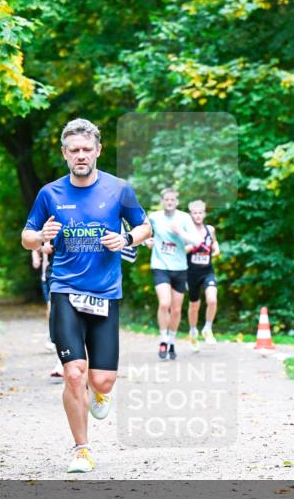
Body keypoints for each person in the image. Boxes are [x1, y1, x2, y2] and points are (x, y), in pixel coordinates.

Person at [21, 118, 151, 473]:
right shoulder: (50, 194)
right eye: (74, 150)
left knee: (101, 379)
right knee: (74, 373)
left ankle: (103, 391)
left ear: (98, 151)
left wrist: (126, 239)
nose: (81, 155)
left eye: (86, 149)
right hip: (65, 290)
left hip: (106, 294)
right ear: (65, 154)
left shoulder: (119, 189)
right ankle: (81, 449)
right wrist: (41, 236)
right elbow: (27, 237)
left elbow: (145, 226)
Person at [145, 188, 202, 360]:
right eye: (166, 199)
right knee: (164, 303)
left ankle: (171, 341)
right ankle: (163, 339)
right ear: (162, 201)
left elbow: (197, 241)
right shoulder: (154, 217)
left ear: (177, 202)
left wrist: (180, 232)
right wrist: (147, 242)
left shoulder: (184, 218)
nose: (169, 202)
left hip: (179, 268)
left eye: (172, 200)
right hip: (160, 265)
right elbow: (143, 234)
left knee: (176, 310)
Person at [184, 200, 221, 352]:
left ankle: (207, 328)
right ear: (190, 214)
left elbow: (215, 243)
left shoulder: (210, 229)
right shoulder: (186, 231)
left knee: (212, 299)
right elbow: (182, 250)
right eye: (195, 213)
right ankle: (193, 331)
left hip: (207, 270)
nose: (198, 216)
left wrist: (216, 250)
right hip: (191, 273)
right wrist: (191, 247)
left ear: (204, 214)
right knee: (194, 305)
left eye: (200, 213)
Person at [31, 242, 63, 377]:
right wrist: (36, 257)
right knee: (53, 310)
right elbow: (34, 245)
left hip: (68, 276)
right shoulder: (48, 225)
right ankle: (53, 336)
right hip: (49, 276)